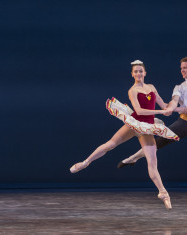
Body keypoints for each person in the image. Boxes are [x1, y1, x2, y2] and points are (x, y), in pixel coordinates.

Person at [70, 60, 179, 210]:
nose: (139, 74)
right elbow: (140, 111)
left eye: (141, 71)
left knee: (152, 162)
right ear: (132, 74)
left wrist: (175, 105)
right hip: (135, 122)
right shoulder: (132, 90)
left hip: (146, 128)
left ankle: (163, 193)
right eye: (136, 71)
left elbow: (164, 105)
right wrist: (161, 112)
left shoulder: (152, 87)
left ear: (145, 73)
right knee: (110, 144)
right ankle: (85, 162)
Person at [117, 56, 187, 209]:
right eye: (181, 68)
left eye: (185, 68)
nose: (182, 71)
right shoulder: (179, 87)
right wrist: (170, 107)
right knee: (156, 144)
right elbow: (173, 101)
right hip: (183, 123)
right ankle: (132, 158)